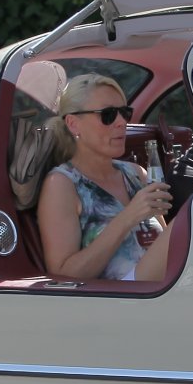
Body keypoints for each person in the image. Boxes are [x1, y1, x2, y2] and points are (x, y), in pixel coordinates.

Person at [37, 74, 175, 281]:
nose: (121, 122)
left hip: (164, 286)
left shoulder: (135, 174)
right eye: (108, 115)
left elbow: (166, 246)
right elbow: (63, 276)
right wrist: (128, 217)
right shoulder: (61, 185)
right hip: (118, 293)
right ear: (73, 124)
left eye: (124, 113)